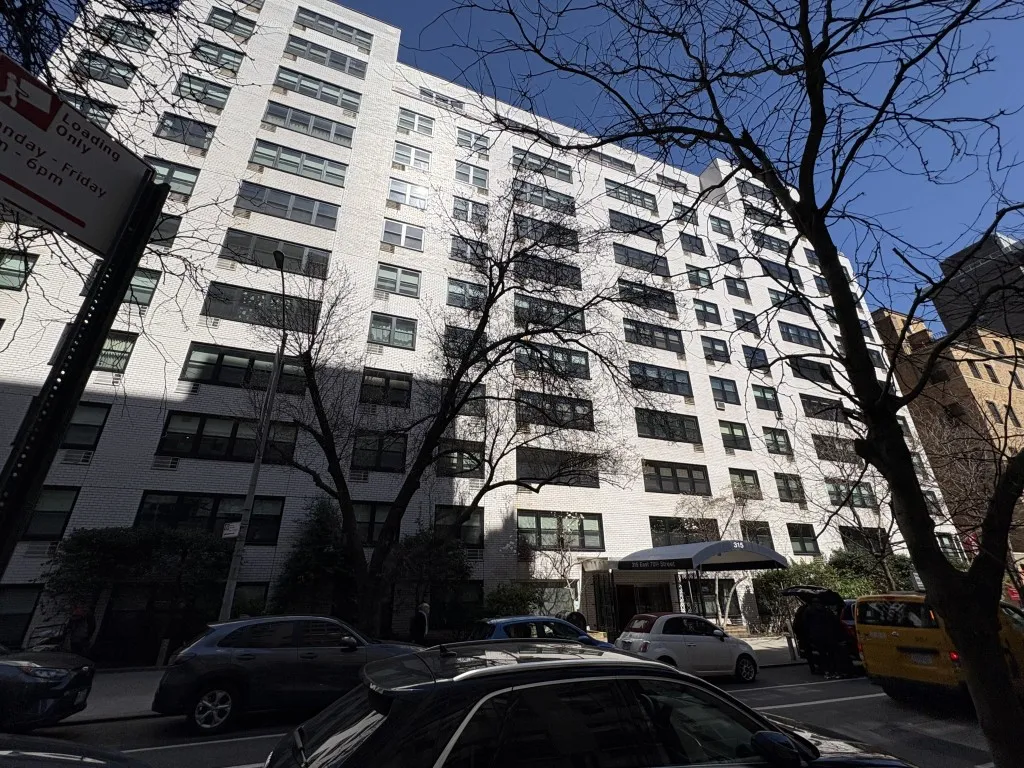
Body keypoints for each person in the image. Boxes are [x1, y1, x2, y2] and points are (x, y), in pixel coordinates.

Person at [803, 598, 842, 679]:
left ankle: (826, 671)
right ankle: (834, 671)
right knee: (831, 654)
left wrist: (808, 636)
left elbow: (805, 625)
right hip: (828, 635)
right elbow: (835, 622)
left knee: (822, 654)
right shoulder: (826, 611)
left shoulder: (809, 611)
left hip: (817, 636)